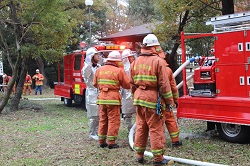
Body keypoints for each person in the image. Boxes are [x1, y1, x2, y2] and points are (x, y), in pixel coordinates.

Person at [130, 34, 174, 165]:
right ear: (154, 47)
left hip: (139, 99)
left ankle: (139, 155)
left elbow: (131, 84)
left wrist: (136, 96)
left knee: (141, 127)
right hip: (152, 100)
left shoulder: (135, 62)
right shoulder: (158, 62)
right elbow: (164, 85)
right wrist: (169, 102)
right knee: (155, 128)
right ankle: (158, 159)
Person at [93, 51, 130, 149]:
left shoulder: (99, 69)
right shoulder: (119, 71)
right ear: (117, 61)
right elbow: (127, 85)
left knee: (103, 120)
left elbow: (94, 84)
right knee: (113, 120)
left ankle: (101, 141)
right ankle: (111, 142)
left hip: (101, 98)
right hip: (113, 99)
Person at [156, 46, 182, 147]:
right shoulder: (167, 70)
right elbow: (173, 87)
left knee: (158, 122)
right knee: (170, 119)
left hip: (154, 101)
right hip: (165, 100)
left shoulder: (151, 68)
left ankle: (159, 142)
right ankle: (175, 141)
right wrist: (175, 100)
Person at [81, 47, 101, 141]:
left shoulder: (99, 66)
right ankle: (92, 133)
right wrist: (89, 65)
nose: (98, 56)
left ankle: (97, 132)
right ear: (91, 56)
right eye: (96, 55)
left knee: (100, 114)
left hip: (99, 92)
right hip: (92, 92)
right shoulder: (86, 68)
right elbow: (87, 78)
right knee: (94, 115)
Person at [121, 49, 136, 132]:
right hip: (126, 95)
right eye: (130, 57)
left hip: (135, 93)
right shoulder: (122, 70)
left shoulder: (135, 67)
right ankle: (131, 131)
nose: (133, 58)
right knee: (127, 115)